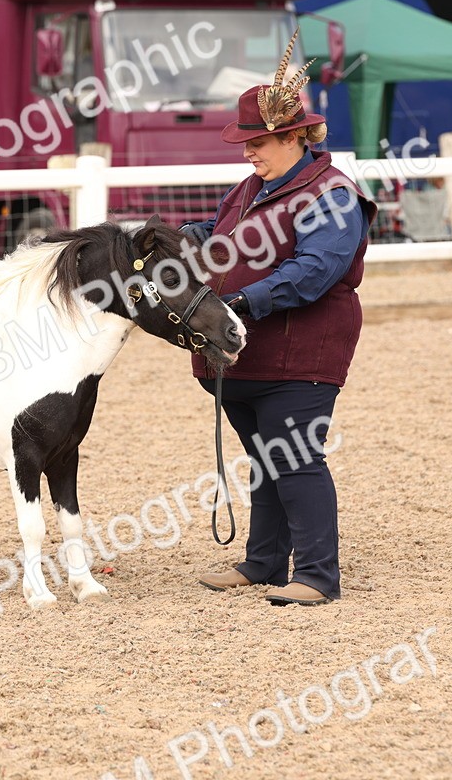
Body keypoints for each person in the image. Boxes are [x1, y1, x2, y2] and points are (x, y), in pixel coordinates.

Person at [181, 34, 377, 606]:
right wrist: (174, 239)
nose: (248, 152)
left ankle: (318, 575)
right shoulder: (249, 189)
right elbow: (219, 242)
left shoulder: (335, 195)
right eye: (246, 143)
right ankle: (265, 563)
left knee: (293, 457)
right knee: (266, 459)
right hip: (243, 352)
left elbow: (315, 270)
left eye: (259, 142)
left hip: (302, 353)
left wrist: (239, 304)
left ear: (295, 135)